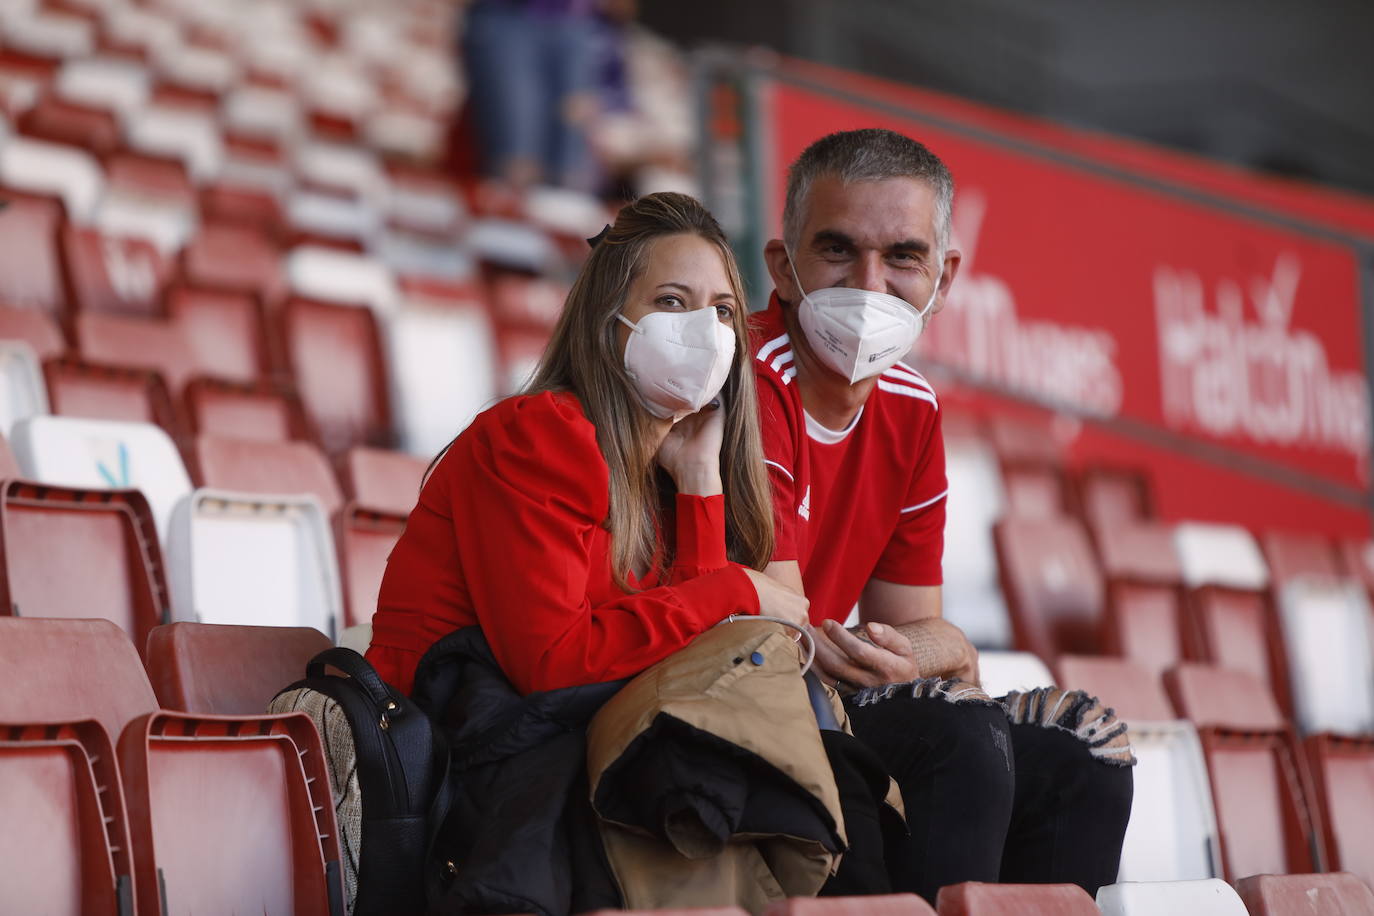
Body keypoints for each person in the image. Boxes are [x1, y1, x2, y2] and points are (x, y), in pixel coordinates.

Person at [751, 128, 1134, 903]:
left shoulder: (911, 408)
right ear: (782, 268)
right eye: (837, 251)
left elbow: (904, 633)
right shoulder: (747, 382)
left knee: (1083, 750)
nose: (869, 286)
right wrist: (940, 652)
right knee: (958, 730)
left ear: (944, 276)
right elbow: (784, 636)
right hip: (750, 705)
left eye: (901, 257)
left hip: (825, 706)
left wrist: (941, 646)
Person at [365, 191, 809, 698]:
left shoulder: (663, 468)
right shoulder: (536, 436)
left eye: (723, 310)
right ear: (608, 320)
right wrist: (738, 588)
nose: (705, 329)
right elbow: (552, 664)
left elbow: (692, 660)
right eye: (671, 301)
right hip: (441, 747)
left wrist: (697, 479)